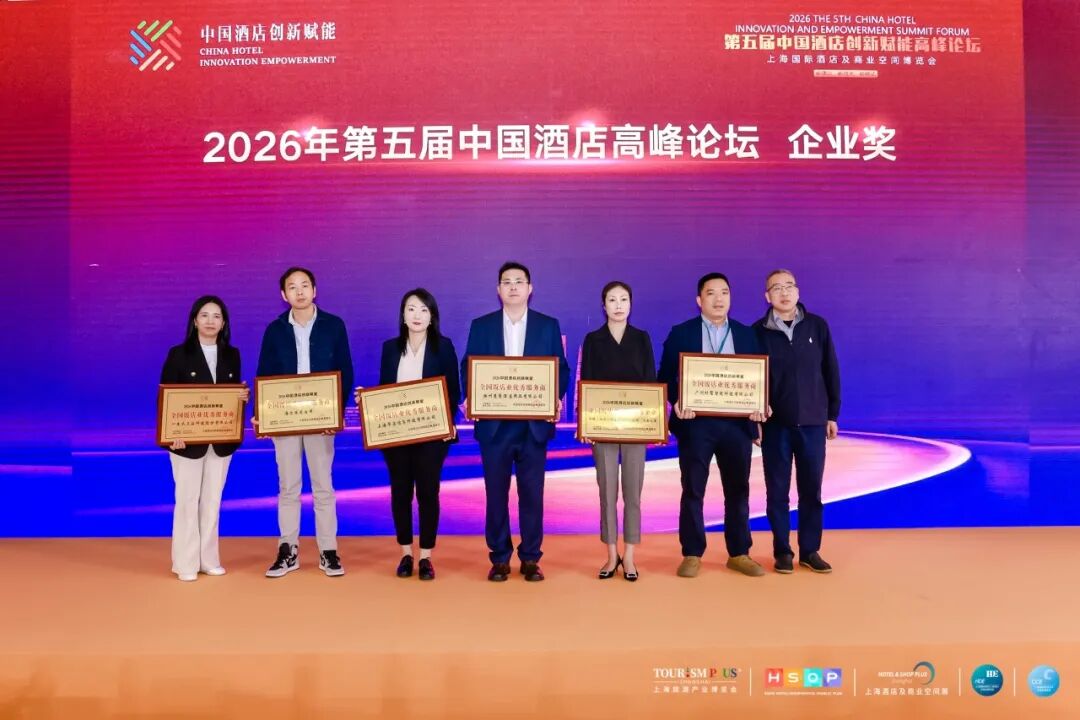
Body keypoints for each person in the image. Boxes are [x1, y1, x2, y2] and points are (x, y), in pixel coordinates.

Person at [461, 261, 570, 582]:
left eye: (519, 281)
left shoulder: (547, 325)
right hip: (494, 426)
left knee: (532, 494)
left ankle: (531, 557)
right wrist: (471, 396)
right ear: (498, 290)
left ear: (529, 288)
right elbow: (468, 367)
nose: (513, 287)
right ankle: (499, 558)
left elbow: (561, 368)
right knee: (495, 495)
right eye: (506, 282)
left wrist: (554, 396)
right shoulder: (481, 326)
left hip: (533, 425)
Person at [657, 273, 769, 578]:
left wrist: (759, 406)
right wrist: (676, 400)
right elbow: (664, 377)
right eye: (711, 293)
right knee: (693, 489)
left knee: (738, 489)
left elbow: (759, 378)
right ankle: (692, 553)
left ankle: (739, 552)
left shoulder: (747, 334)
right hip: (696, 425)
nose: (719, 299)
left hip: (737, 426)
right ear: (699, 300)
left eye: (724, 293)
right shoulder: (682, 333)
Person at [357, 288, 461, 581]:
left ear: (432, 316)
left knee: (428, 493)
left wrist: (447, 422)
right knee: (400, 492)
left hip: (432, 436)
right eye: (411, 309)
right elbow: (385, 390)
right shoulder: (390, 348)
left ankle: (426, 556)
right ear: (403, 315)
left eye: (424, 310)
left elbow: (453, 391)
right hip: (396, 436)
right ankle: (405, 553)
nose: (417, 315)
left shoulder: (444, 347)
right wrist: (367, 399)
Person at [257, 267, 354, 578]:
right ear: (283, 295)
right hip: (285, 419)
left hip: (320, 418)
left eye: (304, 285)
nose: (299, 292)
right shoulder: (275, 330)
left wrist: (335, 413)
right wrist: (265, 414)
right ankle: (288, 550)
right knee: (288, 487)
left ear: (315, 290)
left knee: (323, 486)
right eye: (292, 287)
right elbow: (265, 374)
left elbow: (345, 371)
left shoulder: (334, 325)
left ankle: (328, 550)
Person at [753, 269, 841, 574]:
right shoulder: (757, 332)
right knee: (777, 493)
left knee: (811, 491)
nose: (784, 292)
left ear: (798, 291)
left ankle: (810, 550)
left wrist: (832, 414)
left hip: (814, 423)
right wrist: (755, 419)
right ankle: (782, 551)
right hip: (775, 426)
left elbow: (830, 371)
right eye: (776, 288)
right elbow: (752, 380)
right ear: (767, 296)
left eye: (789, 286)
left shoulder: (817, 326)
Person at [160, 295, 248, 582]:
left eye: (217, 316)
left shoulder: (232, 354)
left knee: (212, 501)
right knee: (187, 501)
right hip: (186, 443)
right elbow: (166, 398)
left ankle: (208, 559)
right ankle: (185, 563)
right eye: (205, 315)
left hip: (221, 442)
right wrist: (172, 435)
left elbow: (232, 396)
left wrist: (241, 397)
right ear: (195, 320)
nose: (211, 321)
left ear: (224, 323)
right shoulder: (178, 354)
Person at [579, 280, 656, 581]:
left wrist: (652, 423)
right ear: (604, 306)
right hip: (603, 426)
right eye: (612, 299)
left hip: (636, 426)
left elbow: (650, 381)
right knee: (607, 491)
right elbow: (586, 383)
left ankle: (631, 556)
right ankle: (612, 555)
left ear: (631, 304)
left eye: (624, 299)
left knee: (633, 492)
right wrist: (587, 423)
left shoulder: (641, 338)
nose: (619, 305)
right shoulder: (593, 339)